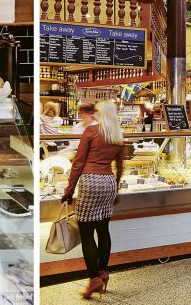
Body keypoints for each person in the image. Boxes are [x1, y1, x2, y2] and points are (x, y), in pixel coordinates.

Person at [61, 101, 124, 299]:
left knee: (87, 233)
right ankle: (103, 272)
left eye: (97, 111)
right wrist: (116, 189)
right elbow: (120, 167)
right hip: (108, 182)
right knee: (103, 230)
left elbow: (78, 163)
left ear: (101, 113)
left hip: (90, 182)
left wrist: (68, 191)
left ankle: (93, 278)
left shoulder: (91, 131)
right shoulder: (118, 135)